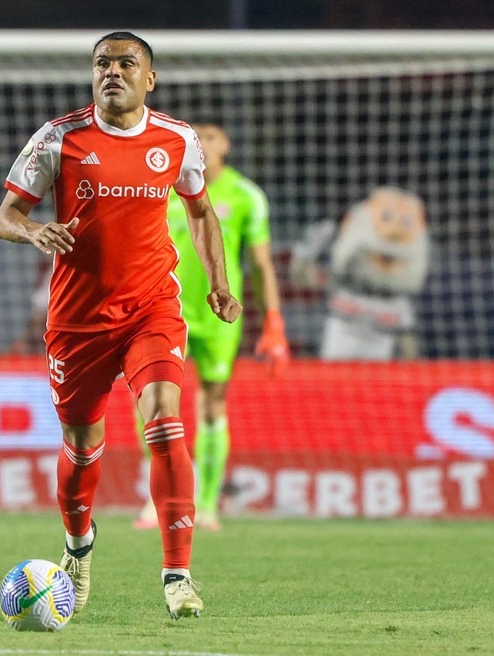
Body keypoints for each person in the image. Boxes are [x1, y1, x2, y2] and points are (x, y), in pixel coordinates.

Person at [0, 32, 242, 620]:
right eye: (103, 63)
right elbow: (5, 216)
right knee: (82, 448)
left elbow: (200, 214)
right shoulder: (59, 138)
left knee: (164, 419)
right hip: (77, 321)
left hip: (151, 308)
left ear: (148, 79)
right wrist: (33, 231)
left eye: (127, 63)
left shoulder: (177, 140)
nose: (113, 71)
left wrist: (219, 283)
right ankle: (78, 549)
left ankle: (177, 575)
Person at [133, 118, 289, 532]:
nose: (203, 142)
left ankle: (205, 504)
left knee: (213, 402)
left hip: (221, 315)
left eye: (211, 136)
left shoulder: (245, 196)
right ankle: (158, 501)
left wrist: (273, 321)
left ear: (227, 144)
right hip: (166, 309)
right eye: (196, 136)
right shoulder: (163, 186)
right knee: (155, 399)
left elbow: (260, 264)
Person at [290, 186, 429, 360]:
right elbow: (301, 276)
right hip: (333, 366)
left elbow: (409, 346)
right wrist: (308, 249)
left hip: (376, 375)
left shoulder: (398, 306)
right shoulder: (340, 287)